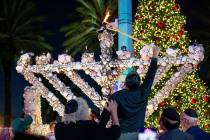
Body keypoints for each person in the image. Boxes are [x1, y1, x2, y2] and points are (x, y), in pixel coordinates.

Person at [110, 46, 159, 139]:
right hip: (140, 135)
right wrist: (155, 56)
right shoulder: (143, 92)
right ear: (139, 84)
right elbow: (150, 76)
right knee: (152, 135)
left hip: (121, 134)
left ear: (125, 83)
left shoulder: (116, 96)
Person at [54, 97, 121, 140]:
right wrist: (114, 111)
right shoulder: (87, 125)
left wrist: (106, 112)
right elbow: (115, 133)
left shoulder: (58, 127)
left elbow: (96, 132)